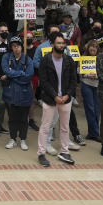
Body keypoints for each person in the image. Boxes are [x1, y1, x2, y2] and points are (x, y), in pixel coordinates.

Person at [36, 32, 78, 167]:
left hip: (66, 99)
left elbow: (73, 81)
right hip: (50, 98)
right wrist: (55, 96)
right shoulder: (46, 60)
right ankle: (41, 153)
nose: (61, 45)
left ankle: (65, 152)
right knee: (45, 127)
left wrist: (67, 95)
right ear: (53, 44)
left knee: (65, 128)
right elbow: (43, 81)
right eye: (58, 43)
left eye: (63, 43)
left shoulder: (69, 61)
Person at [2, 35, 35, 150]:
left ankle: (23, 139)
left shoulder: (28, 59)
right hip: (11, 93)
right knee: (12, 118)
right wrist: (21, 73)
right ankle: (12, 139)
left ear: (21, 46)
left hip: (25, 93)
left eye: (18, 46)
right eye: (14, 46)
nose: (16, 48)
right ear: (11, 47)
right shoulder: (6, 57)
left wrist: (12, 75)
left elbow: (29, 76)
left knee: (23, 118)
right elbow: (6, 70)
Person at [80, 39, 101, 142]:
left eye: (96, 47)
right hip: (86, 85)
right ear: (88, 48)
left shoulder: (101, 59)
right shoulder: (83, 58)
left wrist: (97, 75)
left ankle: (92, 133)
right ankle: (95, 133)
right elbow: (78, 71)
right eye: (92, 46)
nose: (93, 48)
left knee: (97, 110)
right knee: (90, 109)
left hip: (98, 86)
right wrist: (88, 74)